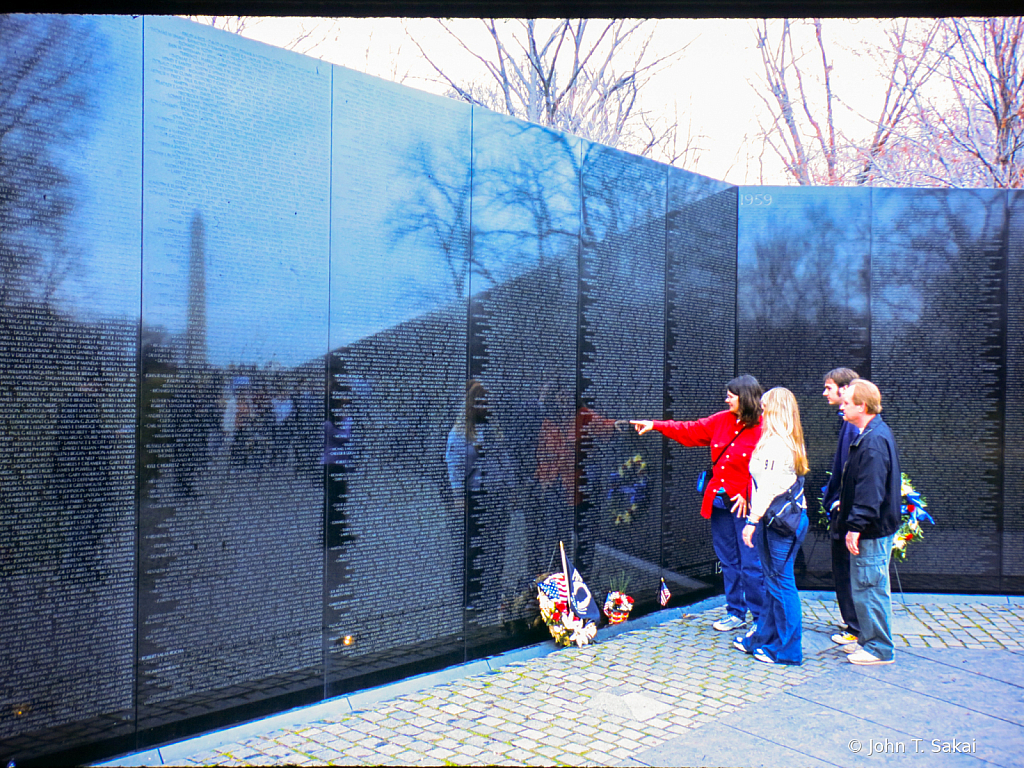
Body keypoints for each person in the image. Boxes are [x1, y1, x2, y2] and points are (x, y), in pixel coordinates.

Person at [632, 375, 765, 633]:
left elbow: (771, 469)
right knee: (728, 560)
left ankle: (760, 619)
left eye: (731, 395)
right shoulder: (722, 420)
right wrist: (656, 425)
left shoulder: (764, 428)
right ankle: (736, 612)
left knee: (751, 562)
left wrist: (749, 494)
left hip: (746, 506)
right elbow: (689, 430)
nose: (726, 399)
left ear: (745, 398)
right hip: (720, 503)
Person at [737, 387, 810, 664]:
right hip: (781, 521)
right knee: (774, 582)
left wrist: (751, 522)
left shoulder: (777, 444)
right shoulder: (785, 440)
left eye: (766, 406)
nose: (761, 411)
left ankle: (789, 651)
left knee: (781, 584)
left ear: (776, 410)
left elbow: (767, 489)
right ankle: (765, 638)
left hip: (779, 523)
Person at [835, 379, 901, 665]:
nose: (842, 405)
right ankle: (868, 640)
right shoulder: (873, 434)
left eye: (847, 402)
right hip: (872, 528)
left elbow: (870, 489)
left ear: (862, 406)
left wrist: (856, 525)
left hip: (871, 531)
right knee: (866, 586)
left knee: (870, 588)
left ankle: (879, 649)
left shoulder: (873, 440)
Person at [821, 367, 861, 648]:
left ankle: (855, 628)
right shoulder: (850, 423)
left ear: (846, 389)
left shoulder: (853, 425)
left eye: (829, 387)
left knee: (847, 570)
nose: (825, 393)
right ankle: (853, 622)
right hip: (845, 508)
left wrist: (837, 503)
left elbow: (850, 470)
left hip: (846, 512)